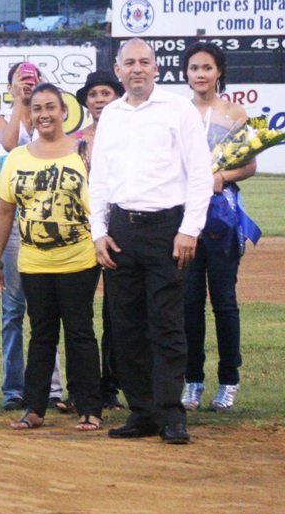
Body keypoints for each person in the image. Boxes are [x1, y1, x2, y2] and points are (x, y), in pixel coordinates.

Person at [90, 38, 212, 445]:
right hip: (122, 230)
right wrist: (99, 232)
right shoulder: (111, 116)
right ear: (119, 69)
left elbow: (199, 173)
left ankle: (171, 412)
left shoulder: (178, 109)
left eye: (145, 62)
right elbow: (100, 179)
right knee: (126, 327)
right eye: (130, 63)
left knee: (166, 324)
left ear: (157, 68)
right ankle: (142, 412)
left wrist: (189, 229)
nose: (137, 69)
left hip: (167, 230)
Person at [0, 83, 103, 432]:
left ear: (64, 111)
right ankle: (34, 408)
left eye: (51, 107)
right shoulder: (18, 158)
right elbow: (4, 211)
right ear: (30, 114)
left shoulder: (84, 153)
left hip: (79, 258)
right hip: (34, 262)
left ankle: (88, 407)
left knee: (80, 331)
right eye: (37, 108)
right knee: (41, 334)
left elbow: (100, 205)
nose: (44, 114)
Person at [181, 42, 257, 412]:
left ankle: (229, 381)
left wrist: (221, 176)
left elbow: (250, 166)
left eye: (207, 68)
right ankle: (192, 381)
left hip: (223, 218)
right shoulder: (177, 113)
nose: (200, 74)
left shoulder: (235, 113)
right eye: (194, 68)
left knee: (224, 302)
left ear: (219, 72)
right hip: (186, 221)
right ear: (186, 73)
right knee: (189, 303)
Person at [0, 62, 66, 412]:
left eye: (32, 82)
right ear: (10, 89)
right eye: (20, 82)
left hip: (44, 223)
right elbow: (9, 144)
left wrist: (34, 101)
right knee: (12, 311)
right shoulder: (2, 116)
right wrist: (22, 100)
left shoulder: (43, 120)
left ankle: (51, 389)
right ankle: (13, 389)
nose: (26, 86)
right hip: (13, 228)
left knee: (45, 309)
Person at [73, 70, 126, 411]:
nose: (100, 99)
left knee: (116, 312)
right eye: (93, 94)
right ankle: (80, 390)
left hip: (118, 228)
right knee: (77, 312)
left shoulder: (129, 134)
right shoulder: (77, 139)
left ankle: (110, 387)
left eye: (106, 92)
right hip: (80, 230)